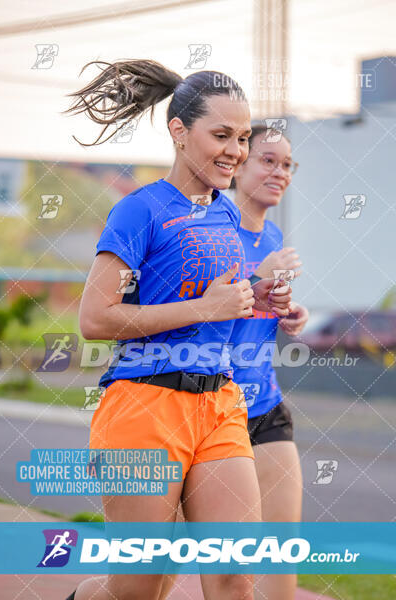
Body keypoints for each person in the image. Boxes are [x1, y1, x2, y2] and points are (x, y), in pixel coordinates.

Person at [62, 59, 292, 600]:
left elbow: (220, 305)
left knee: (234, 578)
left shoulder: (229, 215)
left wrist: (257, 299)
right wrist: (205, 308)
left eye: (241, 137)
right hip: (142, 408)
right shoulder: (137, 211)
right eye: (221, 135)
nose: (235, 151)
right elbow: (95, 319)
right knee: (141, 587)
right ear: (179, 131)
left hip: (219, 406)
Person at [231, 123, 308, 600]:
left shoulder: (274, 234)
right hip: (209, 412)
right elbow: (199, 322)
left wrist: (289, 314)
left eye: (288, 165)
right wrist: (260, 275)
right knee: (155, 573)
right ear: (239, 163)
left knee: (281, 555)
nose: (280, 173)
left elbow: (259, 312)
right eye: (268, 160)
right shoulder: (210, 230)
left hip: (266, 407)